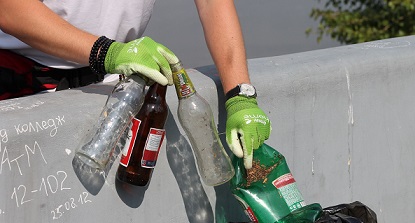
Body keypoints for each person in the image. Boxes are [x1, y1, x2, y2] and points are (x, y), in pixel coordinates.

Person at [0, 0, 271, 168]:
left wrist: (240, 95)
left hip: (113, 82)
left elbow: (213, 4)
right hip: (20, 87)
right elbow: (9, 9)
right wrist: (106, 53)